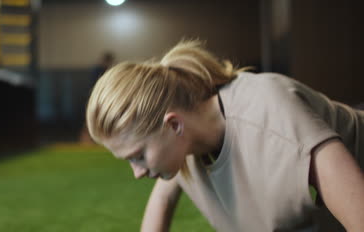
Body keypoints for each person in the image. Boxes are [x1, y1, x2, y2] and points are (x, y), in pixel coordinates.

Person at [86, 40, 364, 231]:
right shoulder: (186, 143)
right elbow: (163, 199)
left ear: (174, 125)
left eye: (138, 156)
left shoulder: (268, 112)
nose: (137, 172)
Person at [80, 51, 115, 144]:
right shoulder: (98, 70)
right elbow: (96, 86)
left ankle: (92, 140)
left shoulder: (104, 70)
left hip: (100, 98)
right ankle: (86, 141)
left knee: (96, 120)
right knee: (90, 120)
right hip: (95, 98)